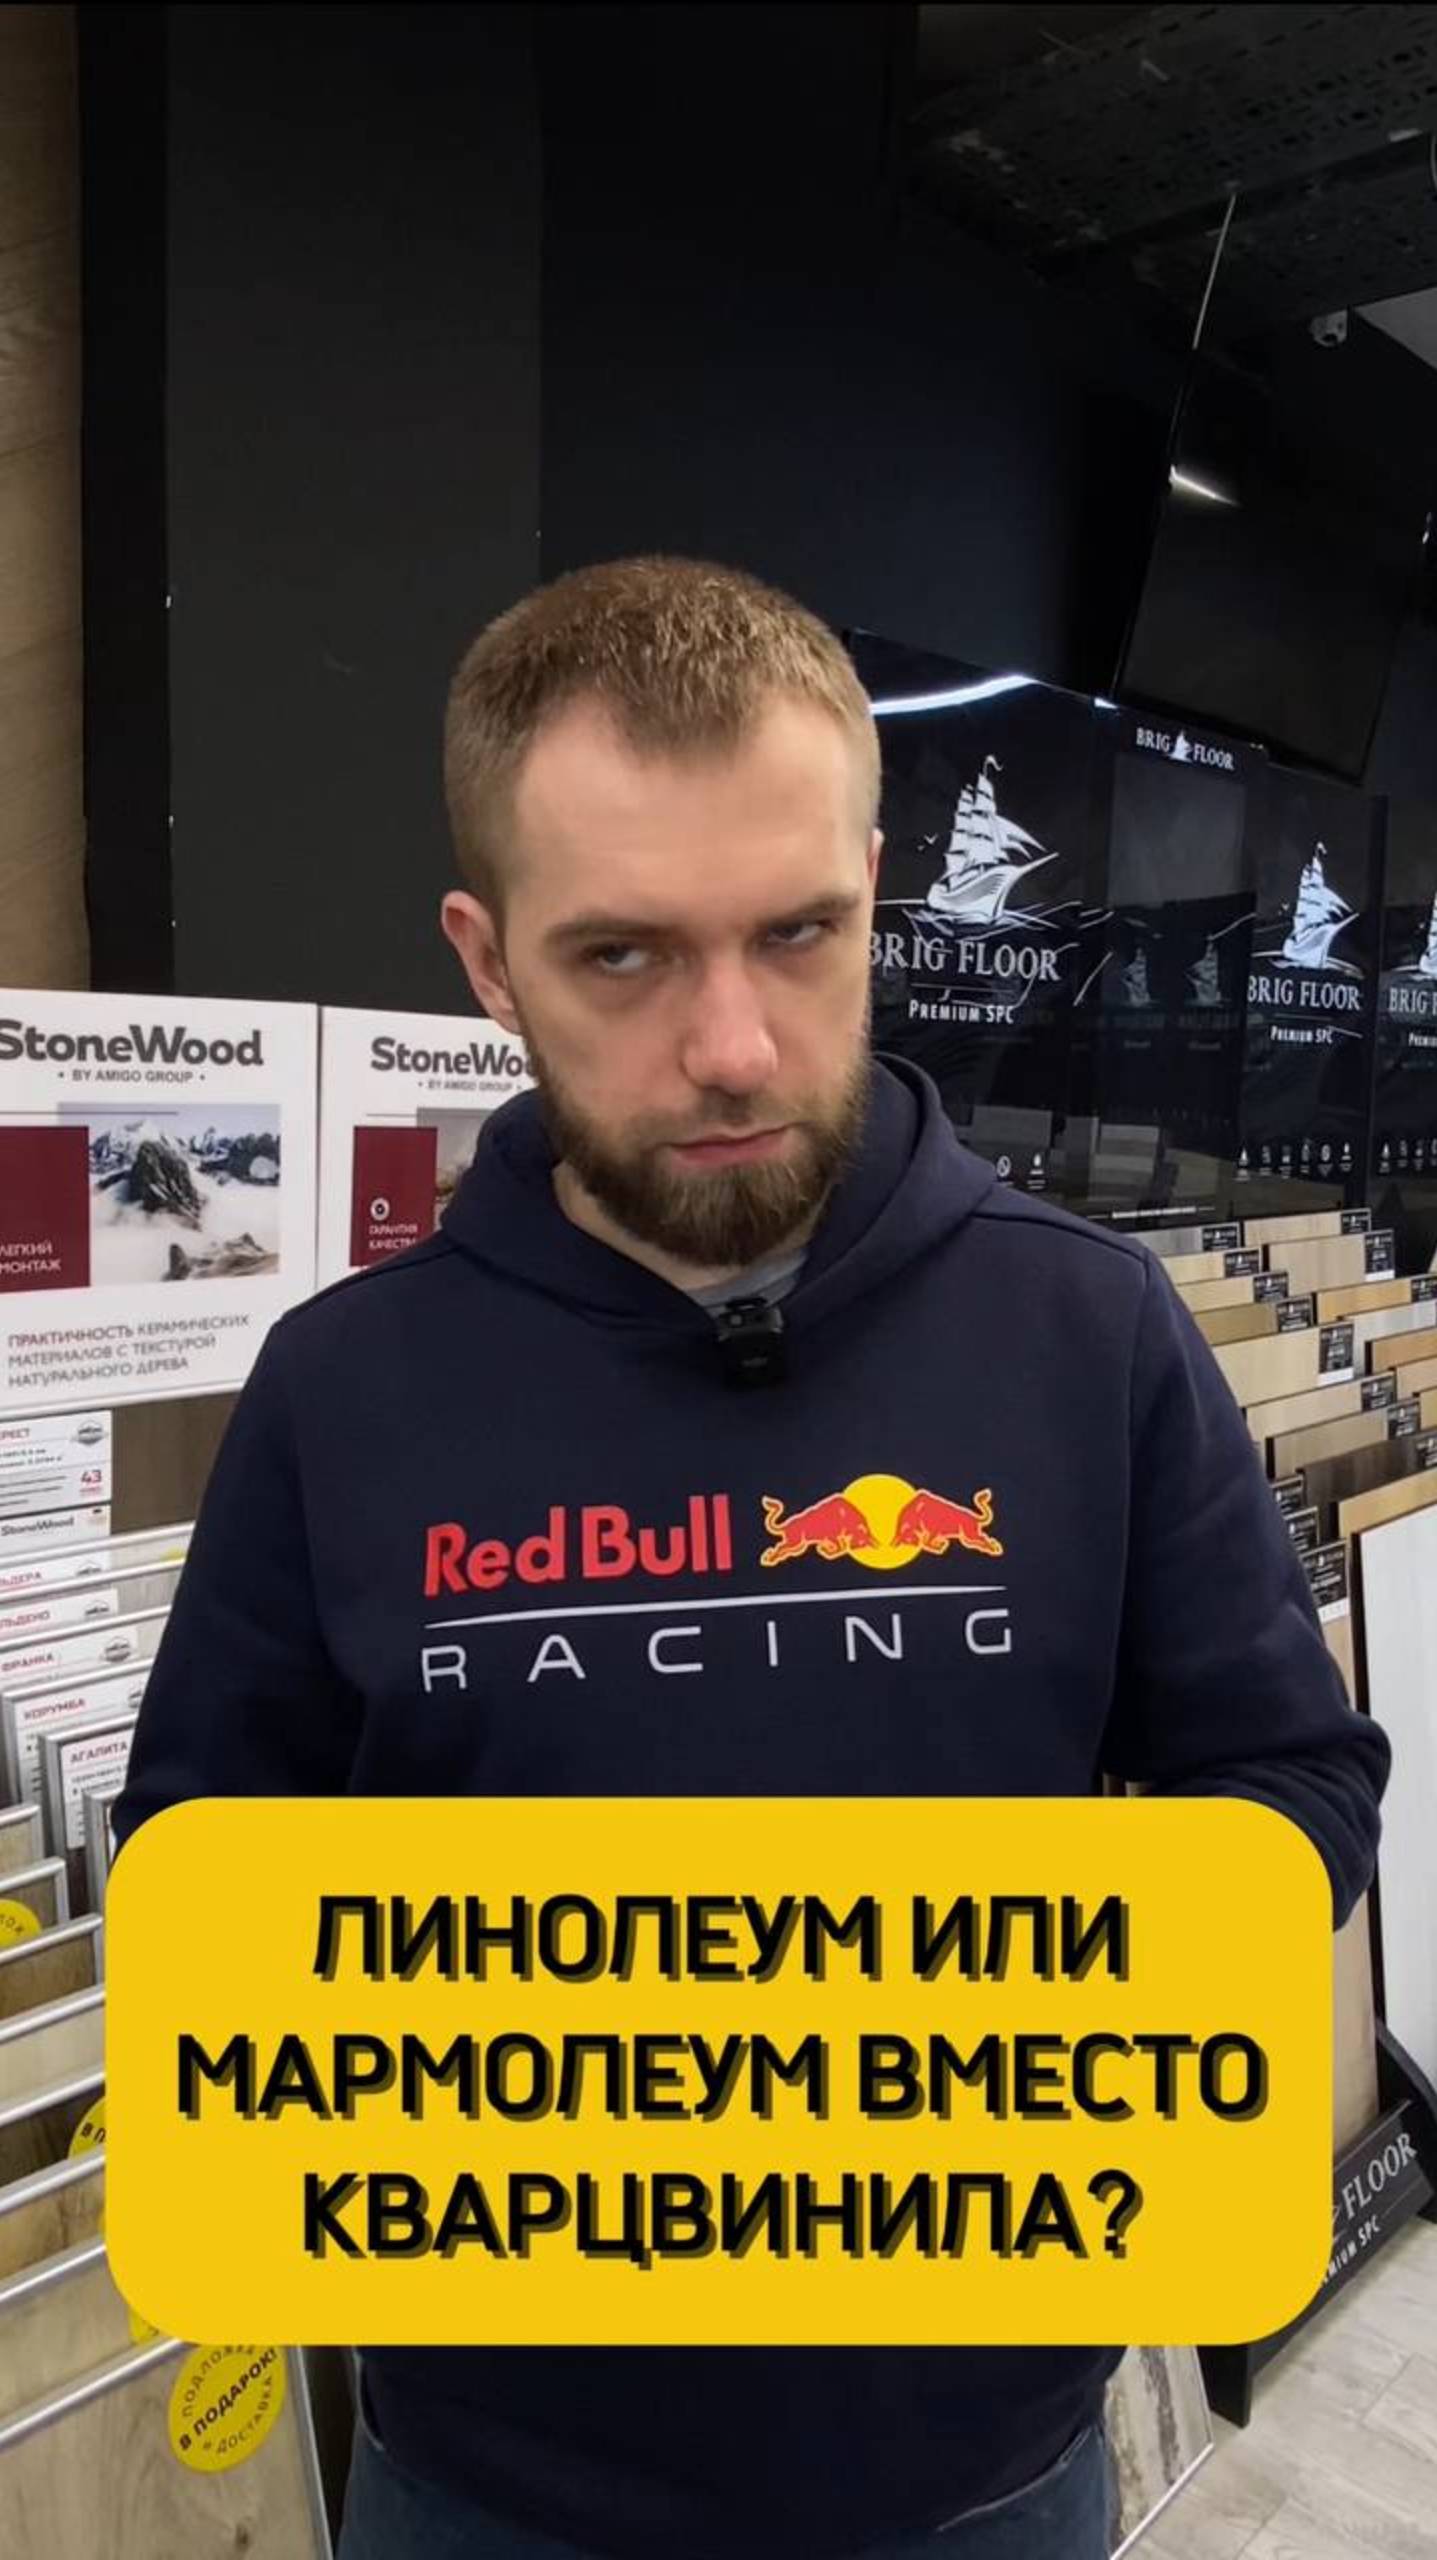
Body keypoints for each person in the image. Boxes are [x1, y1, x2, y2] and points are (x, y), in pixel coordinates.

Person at [111, 556, 1389, 2560]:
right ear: (486, 960)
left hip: (980, 2469)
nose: (728, 1045)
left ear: (873, 890)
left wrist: (1021, 1993)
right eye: (620, 955)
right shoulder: (341, 1390)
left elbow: (1292, 1773)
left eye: (796, 933)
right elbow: (202, 1858)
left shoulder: (1089, 1332)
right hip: (487, 2483)